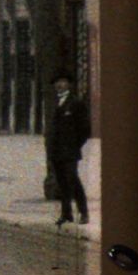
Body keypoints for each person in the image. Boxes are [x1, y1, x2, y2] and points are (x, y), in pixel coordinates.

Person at [45, 71, 90, 226]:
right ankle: (67, 214)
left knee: (73, 181)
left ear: (69, 84)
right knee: (62, 183)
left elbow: (85, 129)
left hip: (70, 151)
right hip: (56, 151)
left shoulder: (76, 103)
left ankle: (84, 212)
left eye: (63, 81)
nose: (59, 85)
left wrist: (75, 145)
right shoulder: (54, 103)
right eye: (57, 82)